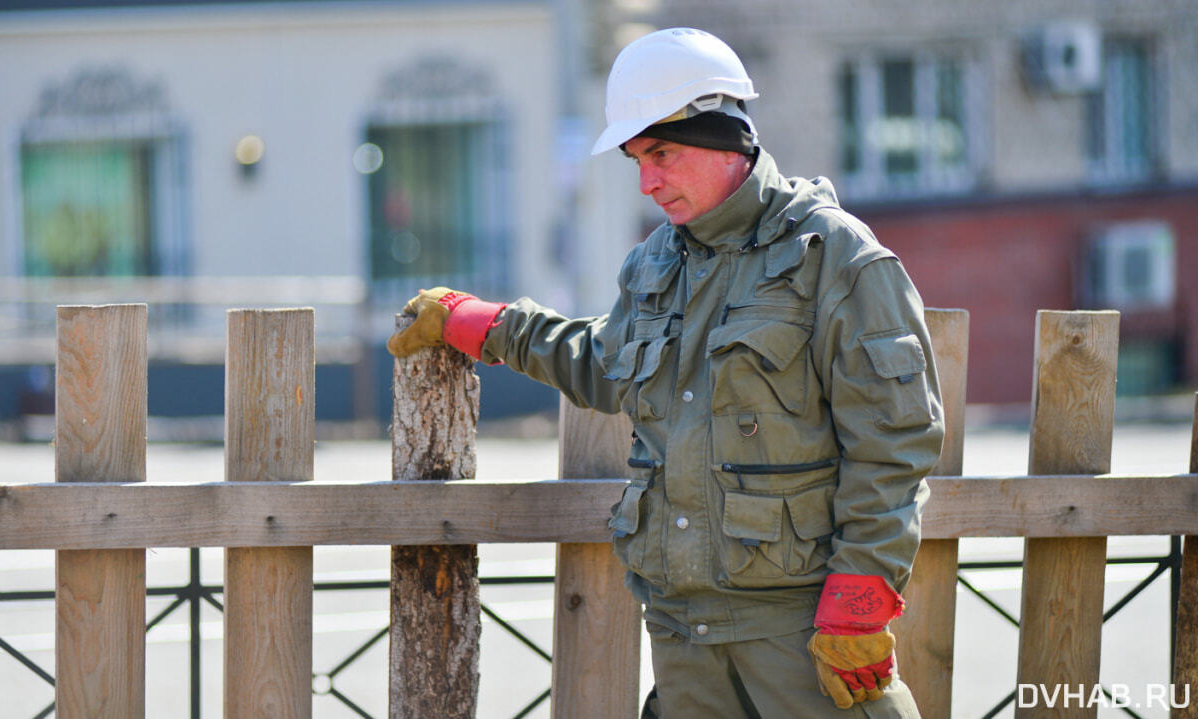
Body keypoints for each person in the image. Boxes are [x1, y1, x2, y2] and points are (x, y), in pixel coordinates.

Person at [387, 27, 943, 718]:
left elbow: (893, 444)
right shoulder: (655, 263)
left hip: (799, 638)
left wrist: (858, 601)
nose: (648, 181)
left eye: (663, 154)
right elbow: (603, 363)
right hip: (681, 636)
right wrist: (487, 323)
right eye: (636, 160)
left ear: (726, 137)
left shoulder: (835, 257)